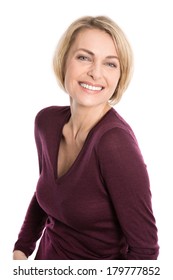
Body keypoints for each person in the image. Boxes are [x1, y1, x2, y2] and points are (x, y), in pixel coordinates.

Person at [13, 15, 159, 260]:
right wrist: (21, 248)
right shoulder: (46, 123)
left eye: (110, 64)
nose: (95, 73)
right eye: (84, 57)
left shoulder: (114, 145)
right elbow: (47, 191)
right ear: (64, 61)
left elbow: (145, 252)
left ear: (120, 76)